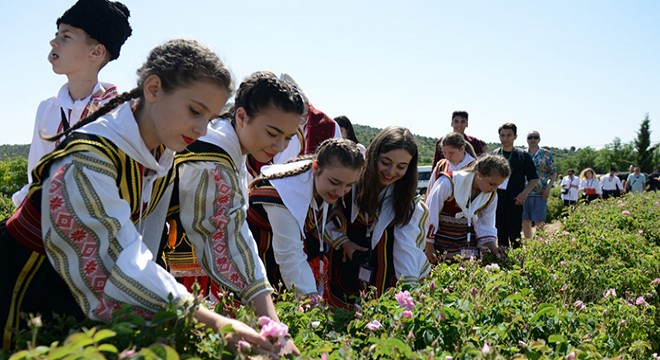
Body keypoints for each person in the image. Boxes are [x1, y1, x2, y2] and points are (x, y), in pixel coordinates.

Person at [1, 39, 280, 355]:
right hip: (25, 286)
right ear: (153, 89)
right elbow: (117, 262)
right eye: (194, 110)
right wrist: (213, 323)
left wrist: (266, 315)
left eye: (210, 117)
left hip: (80, 294)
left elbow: (215, 226)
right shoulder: (87, 159)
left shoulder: (162, 150)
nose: (203, 129)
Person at [163, 71, 305, 331]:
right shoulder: (211, 160)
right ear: (241, 116)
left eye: (287, 137)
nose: (280, 146)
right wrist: (270, 321)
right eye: (273, 132)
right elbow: (226, 236)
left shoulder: (226, 142)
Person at [13, 0, 133, 207]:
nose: (53, 42)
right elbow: (37, 178)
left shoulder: (121, 113)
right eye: (56, 34)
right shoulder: (48, 109)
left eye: (66, 36)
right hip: (49, 223)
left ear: (96, 52)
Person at [247, 138, 365, 303]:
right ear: (316, 167)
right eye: (335, 182)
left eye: (348, 185)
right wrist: (311, 300)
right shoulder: (283, 194)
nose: (340, 191)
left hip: (277, 258)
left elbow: (316, 219)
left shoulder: (321, 183)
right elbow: (289, 255)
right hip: (254, 258)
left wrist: (342, 241)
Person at [325, 126, 430, 309]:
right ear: (374, 155)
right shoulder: (351, 181)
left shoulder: (409, 204)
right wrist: (343, 242)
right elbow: (325, 216)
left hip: (386, 280)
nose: (391, 171)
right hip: (344, 274)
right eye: (385, 162)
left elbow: (406, 251)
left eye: (401, 167)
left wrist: (408, 299)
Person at [425, 154, 510, 263]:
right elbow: (430, 212)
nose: (494, 189)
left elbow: (486, 224)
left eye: (497, 185)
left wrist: (495, 250)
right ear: (479, 174)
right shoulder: (448, 183)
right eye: (491, 184)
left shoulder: (491, 195)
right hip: (440, 240)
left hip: (467, 240)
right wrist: (429, 246)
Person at [491, 123, 538, 249]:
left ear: (515, 136)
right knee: (500, 233)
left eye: (509, 135)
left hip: (516, 201)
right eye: (502, 135)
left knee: (515, 234)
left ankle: (517, 262)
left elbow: (533, 179)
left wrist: (524, 193)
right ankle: (502, 262)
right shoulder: (494, 155)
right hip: (497, 200)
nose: (505, 138)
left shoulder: (523, 156)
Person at [522, 131, 557, 239]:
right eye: (530, 137)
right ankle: (528, 246)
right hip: (524, 193)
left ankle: (540, 245)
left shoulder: (546, 154)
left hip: (540, 193)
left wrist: (548, 188)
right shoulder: (522, 154)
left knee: (539, 222)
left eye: (535, 137)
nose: (532, 140)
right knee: (525, 221)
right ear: (526, 140)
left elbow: (554, 172)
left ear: (539, 139)